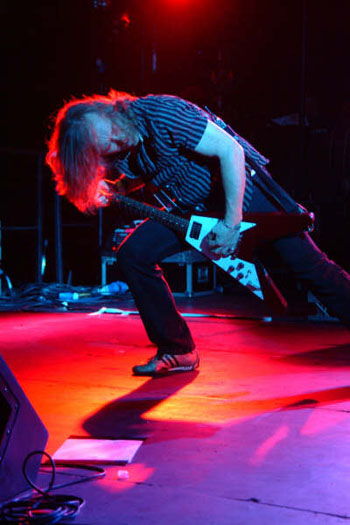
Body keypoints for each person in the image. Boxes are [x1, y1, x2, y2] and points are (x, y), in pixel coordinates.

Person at [47, 90, 350, 376]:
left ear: (106, 114)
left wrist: (232, 224)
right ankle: (178, 349)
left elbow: (231, 151)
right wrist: (118, 188)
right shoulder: (121, 151)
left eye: (105, 135)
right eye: (100, 150)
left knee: (307, 265)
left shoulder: (162, 112)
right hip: (194, 206)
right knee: (133, 253)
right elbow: (145, 173)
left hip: (244, 189)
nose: (111, 145)